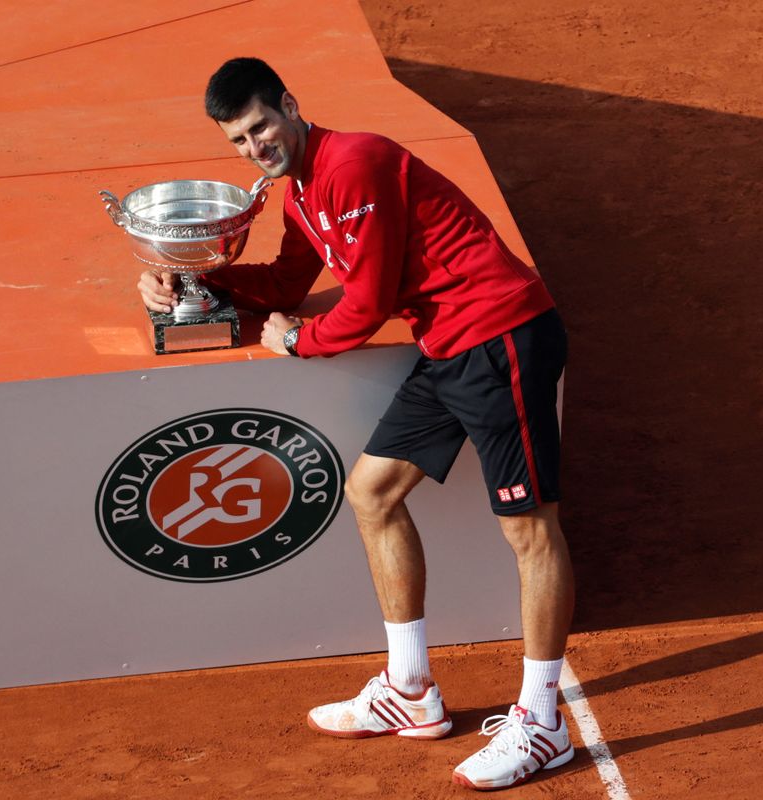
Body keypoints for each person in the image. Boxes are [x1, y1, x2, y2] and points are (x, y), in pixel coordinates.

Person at [138, 57, 574, 791]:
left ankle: (543, 722)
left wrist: (296, 342)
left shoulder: (357, 161)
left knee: (531, 531)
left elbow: (365, 303)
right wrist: (191, 278)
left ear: (290, 104)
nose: (254, 150)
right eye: (238, 142)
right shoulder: (303, 193)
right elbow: (284, 283)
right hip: (448, 347)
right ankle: (411, 693)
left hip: (502, 337)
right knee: (370, 494)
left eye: (261, 128)